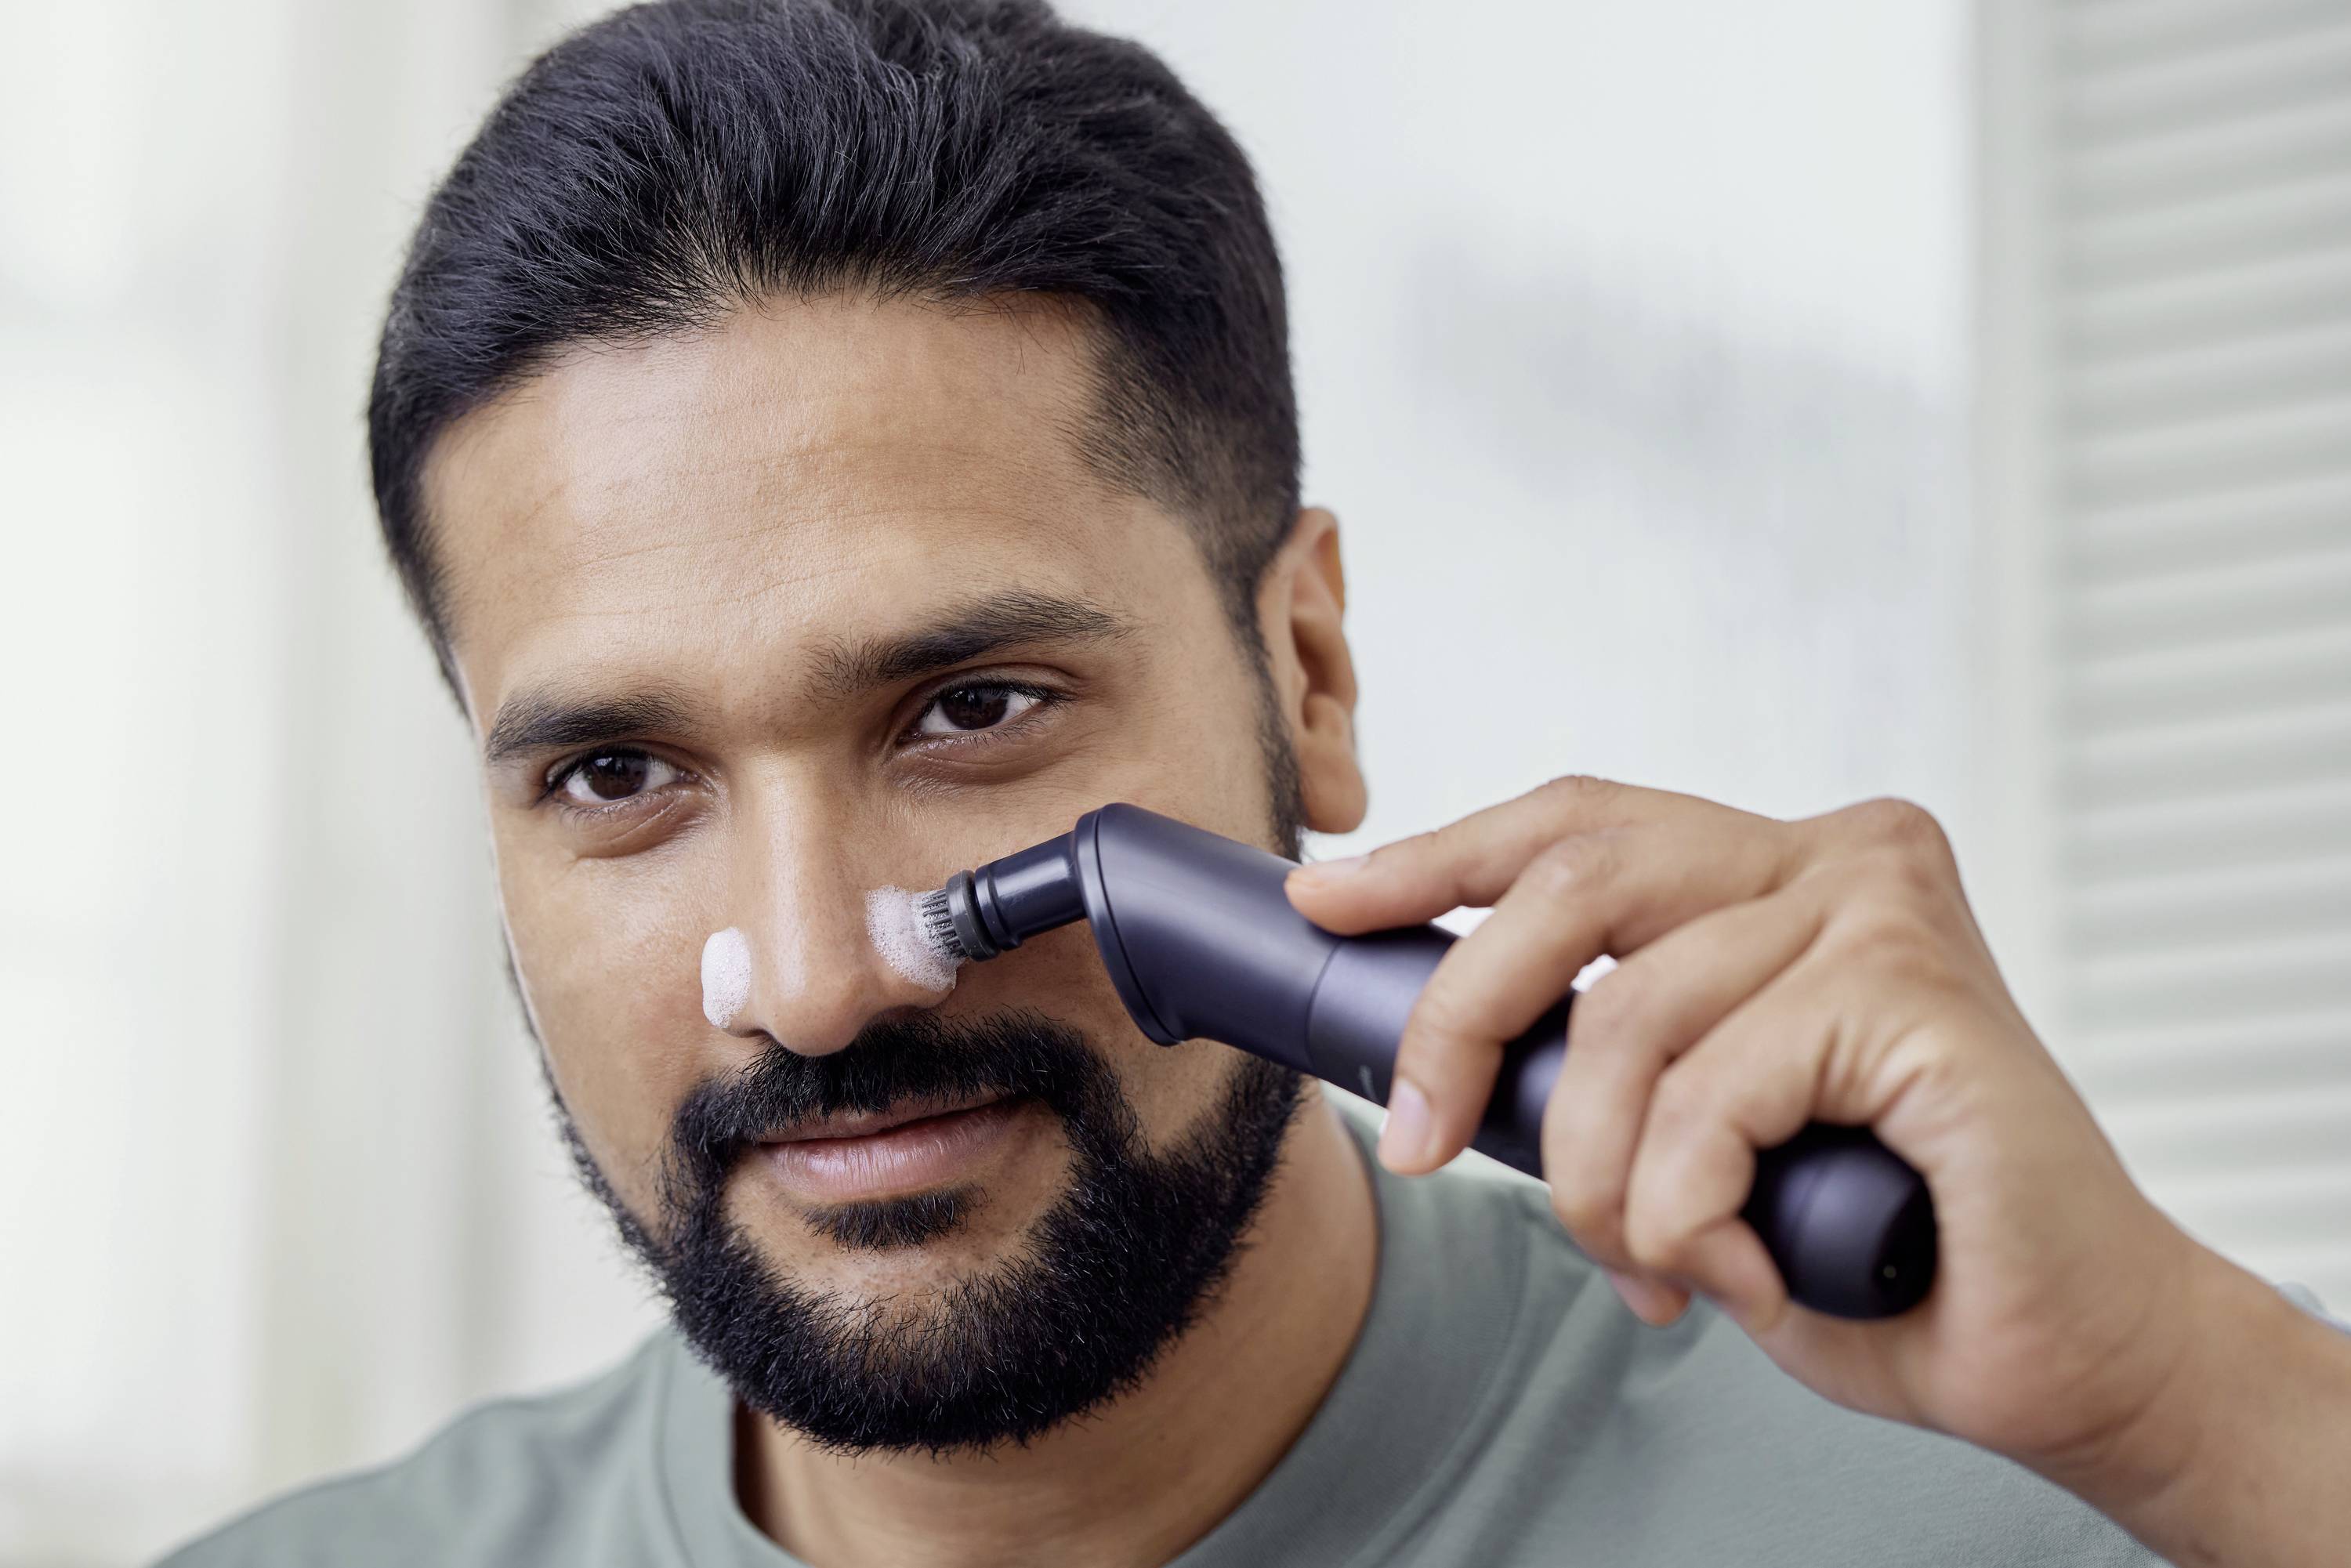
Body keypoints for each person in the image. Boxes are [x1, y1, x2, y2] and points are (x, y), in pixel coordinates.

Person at [162, 2, 2349, 1564]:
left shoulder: (2084, 1484)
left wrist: (2188, 1399)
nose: (820, 982)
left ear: (1303, 667)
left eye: (970, 709)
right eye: (620, 770)